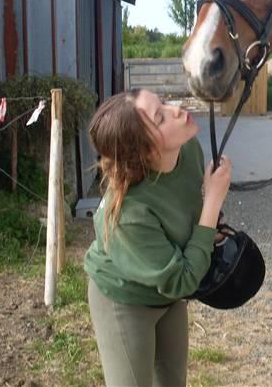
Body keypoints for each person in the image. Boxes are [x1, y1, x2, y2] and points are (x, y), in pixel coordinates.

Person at [84, 88, 232, 387]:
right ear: (148, 152)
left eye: (164, 102)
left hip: (167, 296)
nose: (176, 109)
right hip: (124, 299)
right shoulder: (128, 213)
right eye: (160, 117)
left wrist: (208, 227)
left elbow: (185, 218)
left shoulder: (188, 150)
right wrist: (213, 200)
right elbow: (182, 279)